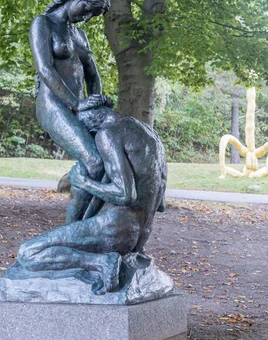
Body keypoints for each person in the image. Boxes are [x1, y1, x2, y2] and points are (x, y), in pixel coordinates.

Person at [16, 105, 167, 295]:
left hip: (117, 229)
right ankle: (109, 260)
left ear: (91, 121)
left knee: (28, 252)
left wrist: (83, 182)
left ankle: (102, 262)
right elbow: (161, 203)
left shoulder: (107, 135)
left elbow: (124, 195)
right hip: (141, 233)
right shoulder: (150, 135)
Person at [30, 0, 111, 224]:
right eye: (86, 9)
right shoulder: (43, 24)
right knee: (96, 162)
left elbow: (93, 75)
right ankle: (72, 230)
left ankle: (83, 228)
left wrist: (96, 99)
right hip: (53, 104)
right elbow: (45, 69)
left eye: (92, 15)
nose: (86, 18)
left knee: (112, 160)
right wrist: (75, 103)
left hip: (81, 106)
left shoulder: (81, 36)